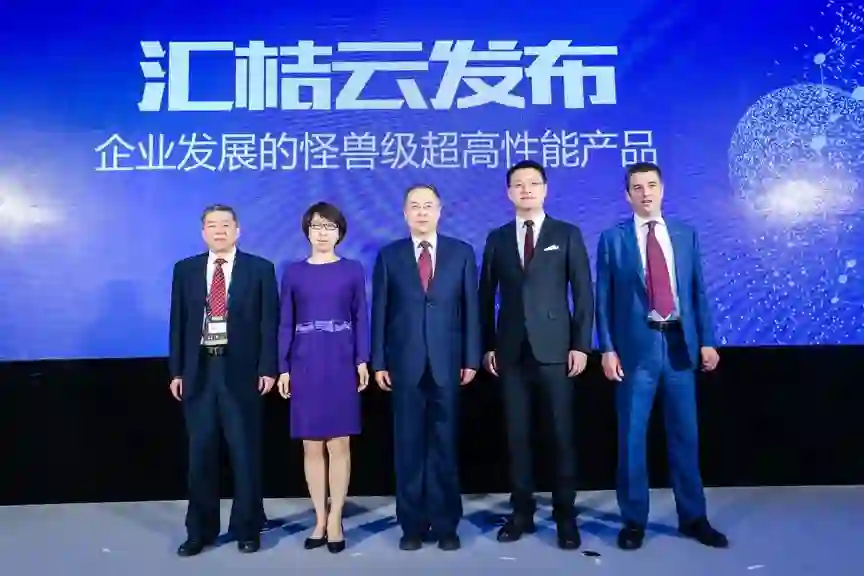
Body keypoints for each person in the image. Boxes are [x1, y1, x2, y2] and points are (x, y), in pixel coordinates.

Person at [595, 162, 728, 550]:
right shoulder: (613, 239)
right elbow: (603, 299)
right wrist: (607, 348)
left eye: (651, 185)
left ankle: (694, 517)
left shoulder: (685, 235)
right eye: (637, 188)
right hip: (636, 351)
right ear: (627, 196)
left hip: (680, 347)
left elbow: (697, 291)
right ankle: (634, 521)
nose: (646, 193)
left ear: (663, 189)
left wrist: (707, 341)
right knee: (632, 439)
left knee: (686, 436)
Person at [478, 160, 593, 550]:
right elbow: (484, 297)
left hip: (556, 350)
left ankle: (565, 516)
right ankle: (521, 513)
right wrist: (488, 345)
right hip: (510, 352)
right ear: (508, 192)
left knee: (561, 436)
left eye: (533, 183)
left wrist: (580, 345)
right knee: (517, 438)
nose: (526, 190)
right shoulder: (497, 238)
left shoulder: (567, 233)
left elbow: (583, 294)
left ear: (545, 189)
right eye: (518, 184)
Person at [371, 184, 480, 552]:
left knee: (445, 447)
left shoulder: (461, 253)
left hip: (448, 363)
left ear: (440, 211)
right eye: (414, 206)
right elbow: (380, 312)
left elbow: (471, 310)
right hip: (404, 364)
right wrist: (379, 360)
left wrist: (471, 357)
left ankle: (447, 524)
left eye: (428, 206)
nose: (422, 212)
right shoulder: (390, 256)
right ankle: (412, 526)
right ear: (405, 213)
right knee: (408, 448)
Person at [168, 204, 278, 556]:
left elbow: (269, 323)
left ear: (237, 230)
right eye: (212, 225)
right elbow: (178, 322)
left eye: (226, 225)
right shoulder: (185, 269)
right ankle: (199, 531)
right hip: (199, 372)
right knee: (200, 454)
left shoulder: (260, 269)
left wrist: (268, 368)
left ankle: (248, 527)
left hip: (242, 372)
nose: (219, 231)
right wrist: (177, 371)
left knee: (245, 454)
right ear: (203, 232)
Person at [276, 202, 370, 554]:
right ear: (307, 231)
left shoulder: (352, 269)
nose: (322, 233)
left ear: (340, 232)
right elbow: (285, 321)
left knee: (339, 443)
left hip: (341, 360)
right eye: (316, 226)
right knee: (311, 444)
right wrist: (283, 367)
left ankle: (336, 519)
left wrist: (362, 360)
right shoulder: (293, 272)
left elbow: (361, 316)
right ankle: (319, 518)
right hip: (305, 361)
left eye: (330, 227)